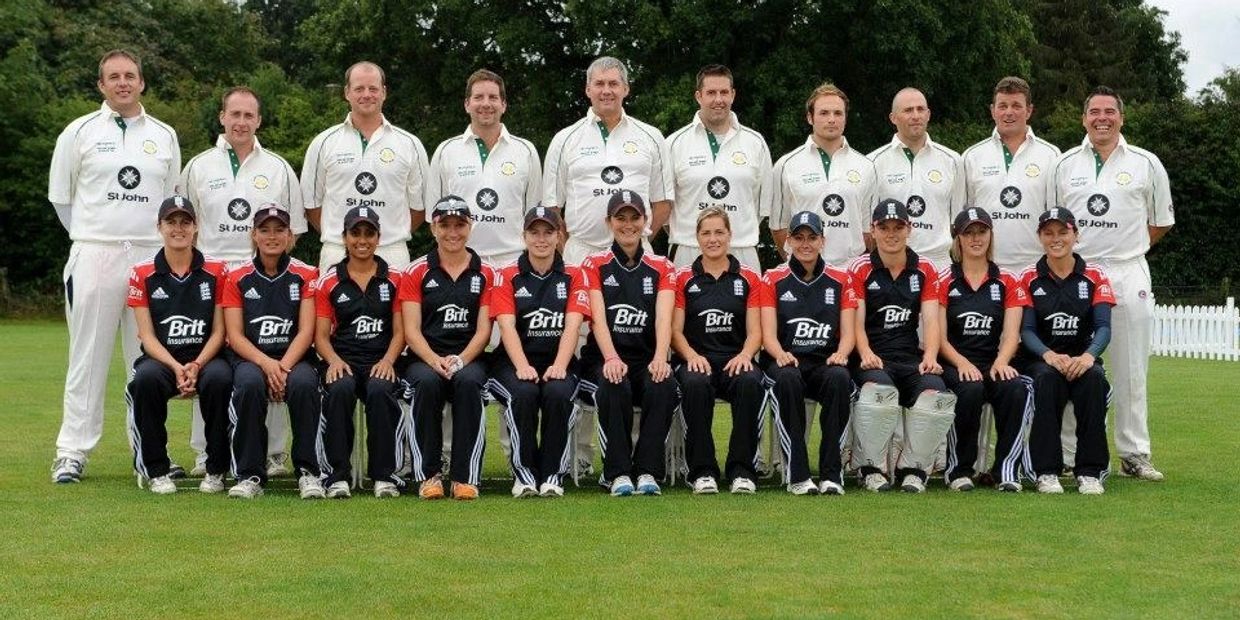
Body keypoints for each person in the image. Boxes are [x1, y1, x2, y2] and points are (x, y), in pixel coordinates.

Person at [48, 49, 181, 483]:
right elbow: (61, 198)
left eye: (130, 76)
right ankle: (72, 452)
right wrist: (96, 235)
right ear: (101, 85)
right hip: (95, 252)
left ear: (142, 82)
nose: (123, 82)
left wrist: (142, 246)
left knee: (146, 359)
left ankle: (147, 455)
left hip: (147, 256)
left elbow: (170, 199)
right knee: (87, 355)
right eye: (113, 77)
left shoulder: (163, 134)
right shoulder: (79, 131)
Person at [543, 56, 674, 473]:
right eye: (599, 83)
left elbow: (662, 203)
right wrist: (574, 249)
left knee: (641, 345)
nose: (606, 90)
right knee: (584, 351)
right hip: (583, 251)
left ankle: (637, 454)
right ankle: (579, 455)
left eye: (614, 83)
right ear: (587, 89)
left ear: (626, 89)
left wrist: (636, 239)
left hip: (639, 252)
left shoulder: (651, 137)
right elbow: (552, 205)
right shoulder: (565, 139)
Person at [182, 85, 306, 477]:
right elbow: (187, 228)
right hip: (214, 276)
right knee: (211, 366)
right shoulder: (199, 166)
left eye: (248, 115)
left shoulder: (278, 168)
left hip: (266, 274)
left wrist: (270, 262)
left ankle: (273, 451)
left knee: (276, 353)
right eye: (234, 114)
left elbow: (294, 229)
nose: (240, 122)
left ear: (258, 121)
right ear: (221, 117)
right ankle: (206, 451)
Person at [1052, 85, 1173, 482]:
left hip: (1127, 269)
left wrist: (1127, 248)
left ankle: (1134, 452)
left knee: (1130, 364)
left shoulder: (1146, 163)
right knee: (1071, 359)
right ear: (1083, 118)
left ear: (1121, 117)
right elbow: (1055, 222)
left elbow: (1160, 222)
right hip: (1076, 271)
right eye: (1094, 112)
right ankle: (1069, 453)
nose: (1102, 118)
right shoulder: (1065, 163)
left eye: (1109, 112)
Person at [848, 199, 955, 493]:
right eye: (884, 227)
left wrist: (931, 356)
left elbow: (931, 320)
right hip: (870, 356)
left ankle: (913, 469)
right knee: (878, 393)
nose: (891, 234)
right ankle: (870, 468)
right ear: (873, 230)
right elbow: (855, 320)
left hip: (908, 356)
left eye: (898, 227)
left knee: (937, 395)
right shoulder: (860, 267)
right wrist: (866, 353)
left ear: (910, 229)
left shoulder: (924, 269)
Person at [124, 196, 230, 494]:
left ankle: (216, 469)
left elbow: (220, 332)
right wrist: (175, 366)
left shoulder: (217, 270)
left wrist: (196, 365)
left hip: (207, 358)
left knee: (221, 379)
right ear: (159, 227)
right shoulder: (141, 272)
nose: (178, 228)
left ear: (196, 227)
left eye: (185, 222)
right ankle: (157, 470)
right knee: (144, 380)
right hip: (162, 359)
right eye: (171, 222)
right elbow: (146, 336)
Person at [578, 190, 678, 496]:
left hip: (646, 356)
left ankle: (648, 470)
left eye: (634, 217)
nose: (628, 224)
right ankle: (617, 473)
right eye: (620, 218)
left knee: (662, 384)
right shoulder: (594, 263)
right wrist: (610, 358)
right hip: (603, 357)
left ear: (645, 221)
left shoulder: (662, 266)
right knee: (613, 385)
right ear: (609, 222)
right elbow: (598, 320)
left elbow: (664, 319)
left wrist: (661, 357)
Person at [220, 205, 323, 499]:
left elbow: (306, 331)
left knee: (304, 385)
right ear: (254, 234)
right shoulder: (236, 276)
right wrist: (268, 365)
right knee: (250, 386)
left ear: (290, 235)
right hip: (251, 357)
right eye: (265, 230)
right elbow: (235, 335)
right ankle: (250, 474)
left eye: (279, 230)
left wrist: (283, 366)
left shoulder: (306, 273)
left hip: (294, 357)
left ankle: (308, 472)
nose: (272, 236)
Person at [488, 206, 591, 497]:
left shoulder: (574, 274)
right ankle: (524, 475)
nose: (541, 239)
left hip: (558, 359)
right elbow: (506, 328)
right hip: (511, 362)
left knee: (558, 393)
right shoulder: (507, 274)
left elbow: (572, 326)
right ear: (524, 236)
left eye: (549, 232)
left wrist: (559, 365)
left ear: (560, 236)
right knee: (524, 393)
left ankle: (552, 475)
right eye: (534, 232)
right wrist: (522, 366)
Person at [401, 196, 495, 501]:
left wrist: (461, 359)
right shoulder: (416, 271)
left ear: (470, 227)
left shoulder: (486, 273)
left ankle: (465, 477)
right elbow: (411, 331)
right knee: (426, 385)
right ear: (433, 228)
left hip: (469, 357)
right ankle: (428, 475)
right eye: (445, 225)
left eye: (459, 225)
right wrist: (433, 360)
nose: (452, 232)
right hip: (424, 357)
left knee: (468, 384)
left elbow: (483, 331)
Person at [1016, 208, 1116, 495]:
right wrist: (1048, 355)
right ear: (1040, 237)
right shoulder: (1028, 277)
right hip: (1041, 359)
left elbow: (1103, 327)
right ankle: (1046, 471)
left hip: (1081, 357)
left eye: (1063, 232)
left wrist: (1088, 356)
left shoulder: (1095, 275)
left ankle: (1090, 471)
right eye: (1048, 233)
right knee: (1047, 381)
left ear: (1075, 235)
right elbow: (1027, 330)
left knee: (1095, 379)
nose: (1056, 239)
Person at [760, 211, 857, 496]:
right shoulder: (773, 278)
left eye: (812, 238)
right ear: (788, 241)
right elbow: (768, 335)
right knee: (787, 380)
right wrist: (780, 353)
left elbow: (849, 332)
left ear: (822, 241)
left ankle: (831, 474)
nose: (806, 244)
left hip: (823, 360)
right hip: (784, 359)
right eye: (799, 238)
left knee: (840, 378)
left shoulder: (840, 279)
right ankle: (797, 474)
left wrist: (841, 353)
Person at [936, 208, 1034, 492]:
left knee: (1016, 388)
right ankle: (959, 471)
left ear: (991, 236)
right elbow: (939, 338)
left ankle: (1005, 470)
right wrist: (962, 363)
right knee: (971, 388)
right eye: (968, 233)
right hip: (955, 363)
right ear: (958, 238)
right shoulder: (944, 280)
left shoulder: (1008, 280)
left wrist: (1002, 362)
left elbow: (1012, 334)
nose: (975, 239)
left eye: (981, 232)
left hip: (994, 362)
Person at [314, 206, 407, 499]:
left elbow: (401, 331)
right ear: (344, 238)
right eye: (355, 233)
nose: (362, 240)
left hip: (382, 357)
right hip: (343, 358)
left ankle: (384, 476)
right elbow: (320, 336)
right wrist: (333, 360)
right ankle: (337, 476)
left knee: (381, 391)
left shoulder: (395, 279)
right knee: (340, 389)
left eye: (369, 233)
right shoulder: (329, 281)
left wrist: (389, 360)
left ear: (379, 238)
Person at [670, 207, 765, 495]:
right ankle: (702, 472)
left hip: (735, 359)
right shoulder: (683, 278)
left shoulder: (748, 278)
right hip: (695, 359)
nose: (713, 239)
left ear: (730, 236)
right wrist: (691, 356)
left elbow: (756, 332)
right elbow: (674, 331)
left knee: (750, 382)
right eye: (706, 233)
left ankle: (742, 471)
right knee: (695, 385)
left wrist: (746, 355)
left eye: (719, 232)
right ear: (697, 238)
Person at [302, 61, 429, 270]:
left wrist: (388, 235)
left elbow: (419, 207)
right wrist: (341, 235)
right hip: (337, 251)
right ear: (347, 93)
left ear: (384, 92)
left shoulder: (410, 144)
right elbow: (312, 204)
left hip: (391, 252)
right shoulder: (323, 142)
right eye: (359, 88)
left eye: (373, 89)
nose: (366, 94)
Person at [427, 69, 542, 267]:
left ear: (503, 105)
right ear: (467, 104)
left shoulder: (526, 150)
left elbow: (533, 212)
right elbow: (434, 215)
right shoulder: (446, 150)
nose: (486, 104)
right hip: (460, 262)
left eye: (493, 97)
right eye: (478, 97)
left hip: (512, 261)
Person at [666, 65, 771, 269]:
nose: (718, 100)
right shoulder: (674, 143)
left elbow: (761, 205)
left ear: (733, 95)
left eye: (724, 92)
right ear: (698, 96)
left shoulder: (755, 142)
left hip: (741, 249)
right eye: (711, 93)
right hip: (688, 249)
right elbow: (665, 205)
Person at [771, 83, 877, 268]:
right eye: (824, 113)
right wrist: (799, 262)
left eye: (838, 113)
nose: (831, 119)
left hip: (851, 271)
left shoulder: (866, 166)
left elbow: (868, 231)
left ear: (845, 118)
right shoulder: (786, 165)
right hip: (804, 271)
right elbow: (779, 226)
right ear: (810, 118)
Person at [961, 77, 1060, 273]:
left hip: (1037, 266)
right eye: (1003, 106)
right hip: (986, 267)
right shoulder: (972, 156)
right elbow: (963, 215)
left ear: (1029, 110)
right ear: (992, 110)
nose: (1009, 113)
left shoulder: (1051, 155)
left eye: (1016, 106)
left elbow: (1056, 214)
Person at [868, 87, 965, 269]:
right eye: (908, 110)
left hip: (939, 263)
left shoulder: (952, 160)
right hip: (890, 264)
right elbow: (870, 225)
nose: (915, 115)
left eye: (920, 109)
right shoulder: (873, 162)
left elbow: (957, 222)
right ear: (893, 118)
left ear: (928, 114)